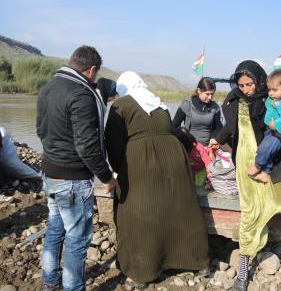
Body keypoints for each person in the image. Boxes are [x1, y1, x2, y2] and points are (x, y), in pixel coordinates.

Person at [104, 71, 209, 290]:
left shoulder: (120, 105)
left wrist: (118, 169)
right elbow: (170, 130)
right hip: (173, 158)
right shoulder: (158, 103)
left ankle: (144, 271)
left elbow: (112, 144)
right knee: (180, 207)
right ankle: (198, 262)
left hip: (141, 162)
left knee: (140, 211)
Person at [208, 60, 281, 291]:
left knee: (269, 205)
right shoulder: (235, 99)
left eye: (250, 84)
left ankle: (259, 241)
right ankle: (244, 271)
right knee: (249, 213)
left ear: (259, 80)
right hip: (244, 166)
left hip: (267, 164)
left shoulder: (272, 101)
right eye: (242, 84)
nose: (247, 89)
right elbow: (231, 127)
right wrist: (217, 137)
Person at [36, 45, 117, 291]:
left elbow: (40, 130)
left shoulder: (47, 88)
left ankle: (50, 280)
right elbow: (87, 145)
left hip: (50, 173)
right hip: (72, 179)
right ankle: (73, 287)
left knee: (55, 229)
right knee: (77, 239)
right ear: (92, 70)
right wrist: (106, 176)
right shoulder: (81, 94)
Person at [172, 77, 222, 146]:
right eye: (207, 94)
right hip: (189, 147)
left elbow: (217, 129)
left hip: (207, 148)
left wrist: (213, 140)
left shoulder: (215, 108)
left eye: (212, 94)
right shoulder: (187, 105)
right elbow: (174, 127)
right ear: (199, 91)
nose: (210, 97)